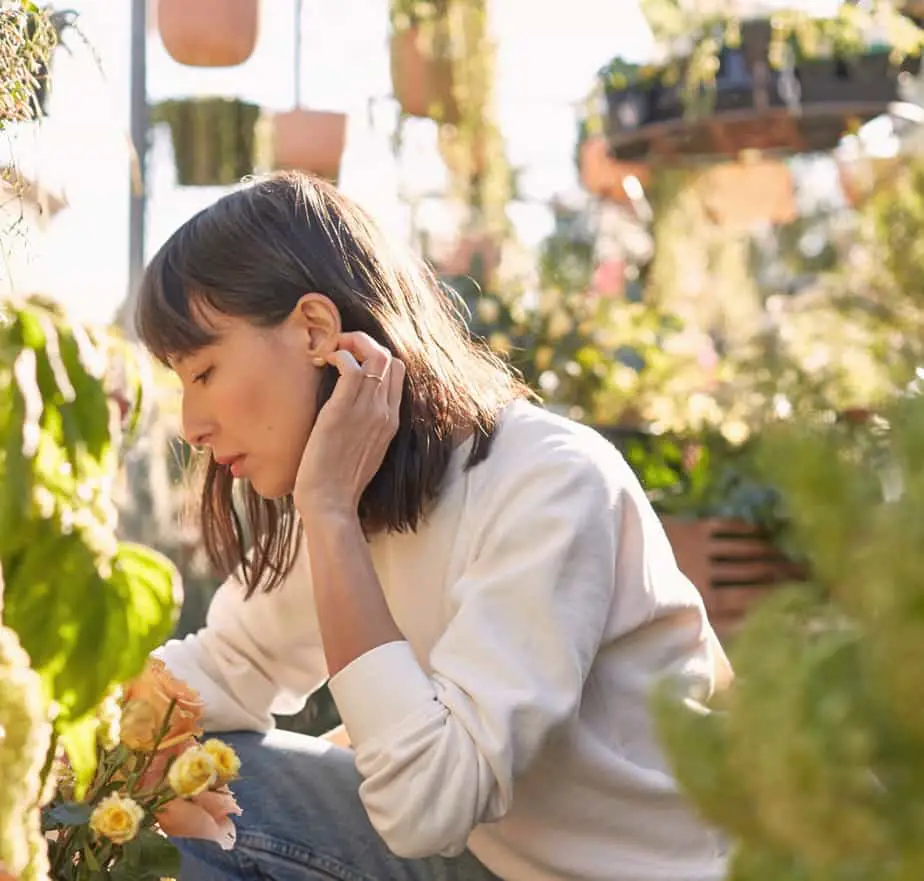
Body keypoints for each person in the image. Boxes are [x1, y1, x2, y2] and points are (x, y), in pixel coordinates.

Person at [137, 171, 732, 881]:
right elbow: (228, 668)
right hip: (483, 864)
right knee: (183, 777)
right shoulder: (357, 494)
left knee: (238, 794)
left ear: (314, 331)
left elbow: (427, 807)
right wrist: (51, 729)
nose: (190, 425)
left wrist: (327, 513)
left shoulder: (549, 482)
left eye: (203, 371)